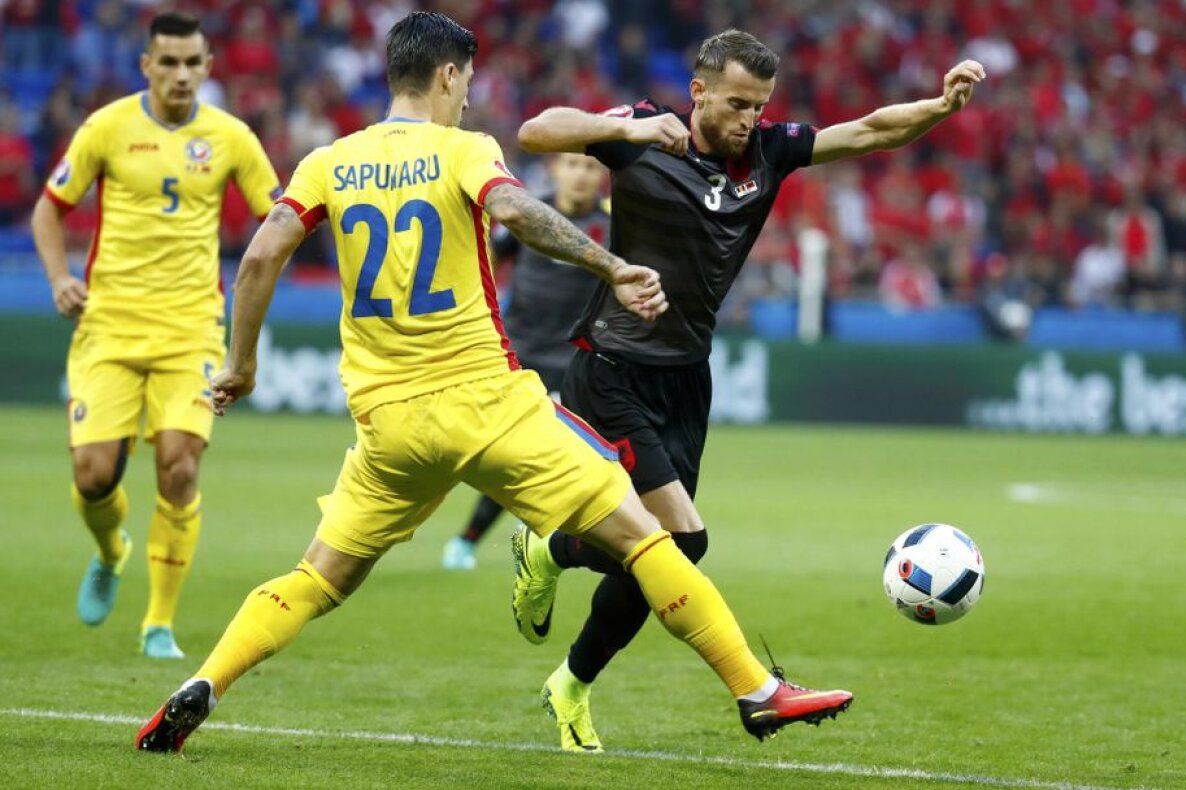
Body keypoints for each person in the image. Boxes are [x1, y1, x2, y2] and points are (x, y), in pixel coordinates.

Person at [135, 11, 852, 755]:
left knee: (316, 578)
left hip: (388, 427)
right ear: (448, 76)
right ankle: (755, 690)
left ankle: (207, 682)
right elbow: (513, 207)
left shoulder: (328, 161)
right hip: (487, 404)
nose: (471, 98)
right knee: (653, 536)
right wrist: (610, 266)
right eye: (468, 82)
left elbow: (257, 259)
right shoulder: (464, 149)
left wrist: (240, 365)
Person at [511, 28, 984, 752]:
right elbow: (538, 130)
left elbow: (869, 131)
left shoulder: (770, 151)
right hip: (610, 365)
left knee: (674, 551)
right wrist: (629, 125)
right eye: (735, 103)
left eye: (758, 106)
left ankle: (563, 633)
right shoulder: (644, 134)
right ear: (698, 91)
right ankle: (574, 618)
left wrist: (940, 108)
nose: (747, 120)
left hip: (685, 377)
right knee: (682, 540)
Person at [30, 11, 281, 660]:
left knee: (179, 466)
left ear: (207, 67)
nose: (179, 74)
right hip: (108, 326)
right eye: (166, 62)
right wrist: (60, 278)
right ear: (146, 66)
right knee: (91, 476)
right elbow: (48, 210)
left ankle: (158, 623)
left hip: (192, 329)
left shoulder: (231, 137)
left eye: (191, 62)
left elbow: (279, 215)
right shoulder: (107, 128)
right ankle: (111, 550)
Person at [443, 152, 611, 571]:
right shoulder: (527, 215)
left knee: (554, 457)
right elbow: (484, 257)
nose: (580, 175)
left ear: (603, 176)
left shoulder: (614, 227)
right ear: (556, 169)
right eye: (572, 165)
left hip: (574, 360)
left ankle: (519, 544)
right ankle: (475, 541)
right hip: (515, 353)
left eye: (590, 167)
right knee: (504, 454)